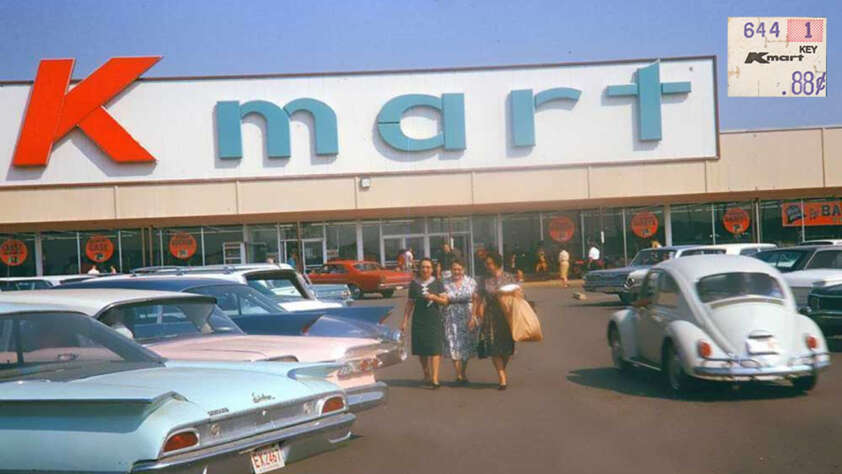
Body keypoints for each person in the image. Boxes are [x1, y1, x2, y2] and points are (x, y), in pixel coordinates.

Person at [401, 258, 448, 388]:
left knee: (435, 348)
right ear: (419, 269)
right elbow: (410, 303)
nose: (425, 269)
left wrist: (434, 297)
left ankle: (435, 379)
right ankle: (426, 373)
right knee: (422, 349)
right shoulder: (414, 284)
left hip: (434, 318)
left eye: (428, 267)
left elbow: (445, 301)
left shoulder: (438, 283)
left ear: (432, 269)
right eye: (423, 267)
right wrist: (405, 321)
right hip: (419, 319)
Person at [477, 252, 517, 390]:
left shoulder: (509, 277)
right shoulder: (484, 280)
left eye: (489, 263)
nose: (487, 266)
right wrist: (478, 315)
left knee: (507, 348)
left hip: (507, 315)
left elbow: (519, 295)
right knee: (494, 347)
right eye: (486, 264)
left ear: (497, 263)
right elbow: (480, 298)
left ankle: (502, 369)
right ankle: (502, 378)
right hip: (491, 315)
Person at [441, 259, 478, 384]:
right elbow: (442, 297)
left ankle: (463, 371)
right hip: (450, 315)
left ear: (464, 270)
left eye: (459, 269)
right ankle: (458, 374)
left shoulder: (471, 282)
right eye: (454, 269)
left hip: (467, 314)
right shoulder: (445, 282)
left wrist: (474, 316)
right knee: (453, 343)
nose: (456, 272)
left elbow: (475, 298)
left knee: (465, 344)